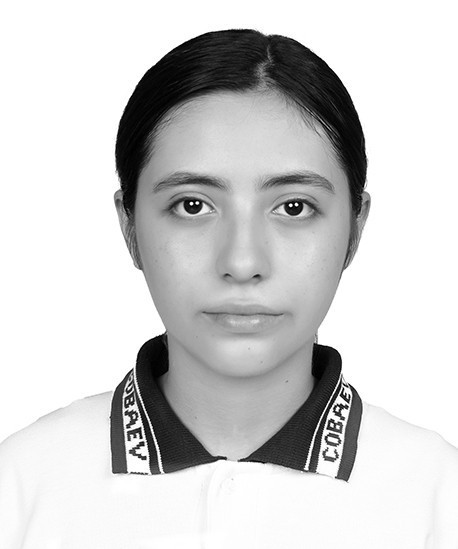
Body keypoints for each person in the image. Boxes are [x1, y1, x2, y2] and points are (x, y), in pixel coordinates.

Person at [0, 28, 457, 549]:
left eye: (294, 207)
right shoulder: (22, 488)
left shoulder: (438, 499)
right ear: (129, 227)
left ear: (355, 228)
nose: (242, 263)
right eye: (192, 205)